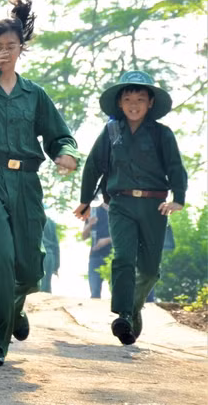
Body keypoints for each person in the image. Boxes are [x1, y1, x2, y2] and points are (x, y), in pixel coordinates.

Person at [0, 0, 80, 366]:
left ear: (22, 48)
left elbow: (59, 135)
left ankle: (11, 303)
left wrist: (66, 153)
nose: (4, 52)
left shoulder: (34, 94)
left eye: (10, 46)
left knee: (28, 267)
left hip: (25, 181)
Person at [74, 70, 187, 345]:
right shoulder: (111, 131)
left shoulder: (162, 134)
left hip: (154, 205)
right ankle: (124, 314)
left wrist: (178, 199)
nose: (133, 104)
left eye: (140, 98)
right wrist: (85, 200)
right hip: (121, 203)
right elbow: (93, 165)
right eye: (127, 99)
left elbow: (176, 167)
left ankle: (134, 308)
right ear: (120, 104)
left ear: (150, 103)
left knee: (149, 270)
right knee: (123, 257)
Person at [81, 200, 112, 298]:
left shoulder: (119, 212)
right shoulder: (93, 211)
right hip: (95, 256)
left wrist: (107, 240)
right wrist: (90, 224)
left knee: (117, 292)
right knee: (94, 292)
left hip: (114, 257)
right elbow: (84, 236)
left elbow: (126, 234)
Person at [40, 215, 60, 293]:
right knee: (47, 286)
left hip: (39, 254)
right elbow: (56, 245)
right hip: (50, 255)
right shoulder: (51, 222)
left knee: (40, 286)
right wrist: (56, 266)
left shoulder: (34, 218)